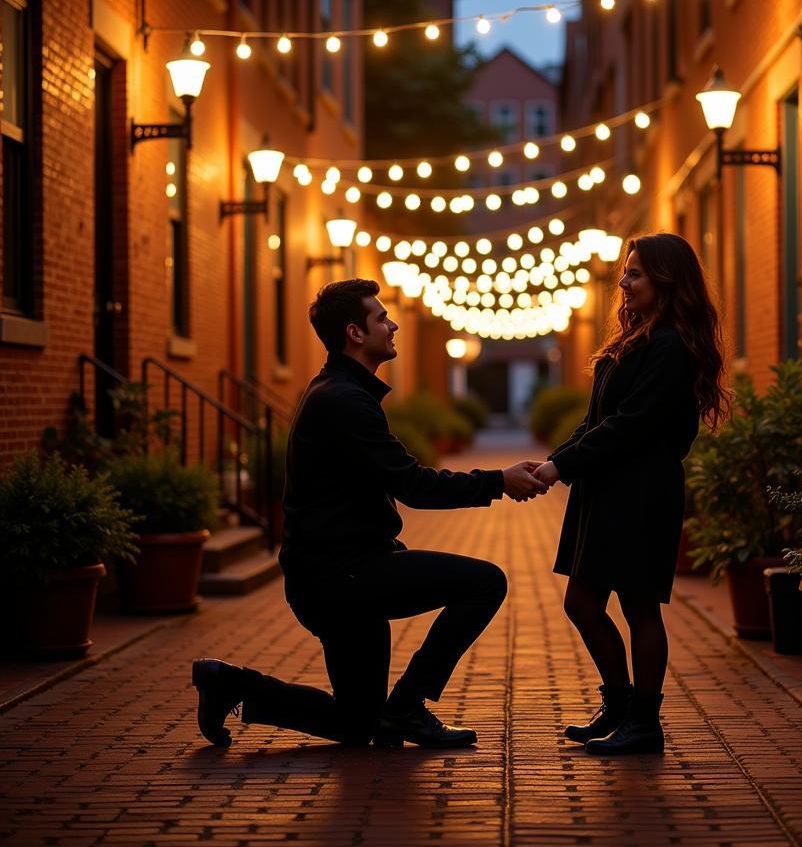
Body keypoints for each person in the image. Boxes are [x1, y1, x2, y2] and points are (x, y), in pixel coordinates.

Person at [193, 279, 546, 750]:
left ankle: (231, 684)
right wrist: (498, 482)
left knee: (357, 722)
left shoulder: (342, 392)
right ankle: (407, 707)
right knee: (485, 582)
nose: (392, 324)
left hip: (341, 574)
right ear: (356, 333)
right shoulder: (343, 401)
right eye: (381, 318)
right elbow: (414, 484)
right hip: (340, 579)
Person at [531, 234, 727, 755]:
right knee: (583, 601)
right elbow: (599, 418)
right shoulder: (640, 337)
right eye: (625, 272)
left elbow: (632, 423)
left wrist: (558, 467)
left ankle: (644, 722)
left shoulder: (670, 346)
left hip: (641, 490)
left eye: (635, 273)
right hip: (607, 486)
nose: (624, 282)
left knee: (640, 606)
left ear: (665, 280)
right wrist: (555, 459)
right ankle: (619, 706)